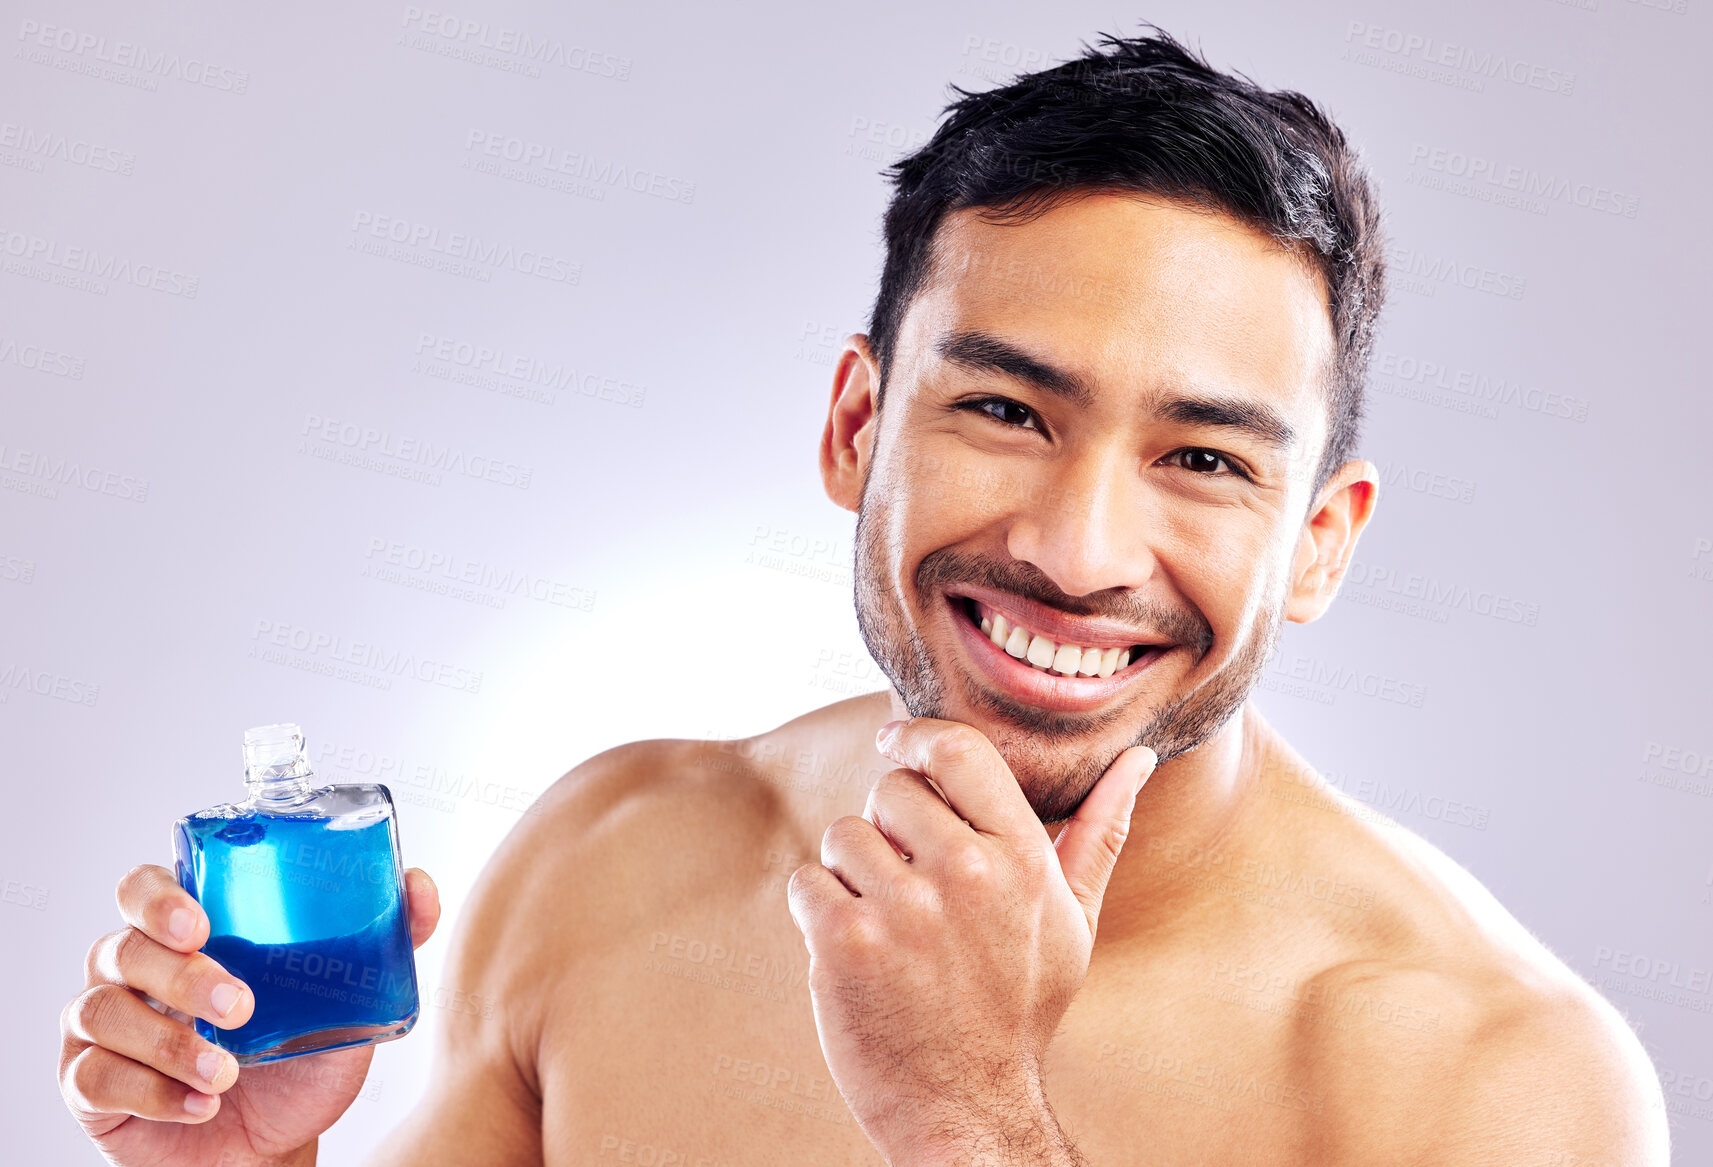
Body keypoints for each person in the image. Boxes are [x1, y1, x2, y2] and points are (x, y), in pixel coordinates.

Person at [58, 29, 1668, 1167]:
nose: (1078, 546)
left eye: (1202, 459)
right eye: (1006, 410)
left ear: (1319, 542)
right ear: (854, 425)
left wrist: (967, 1122)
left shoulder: (1493, 1086)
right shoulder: (608, 864)